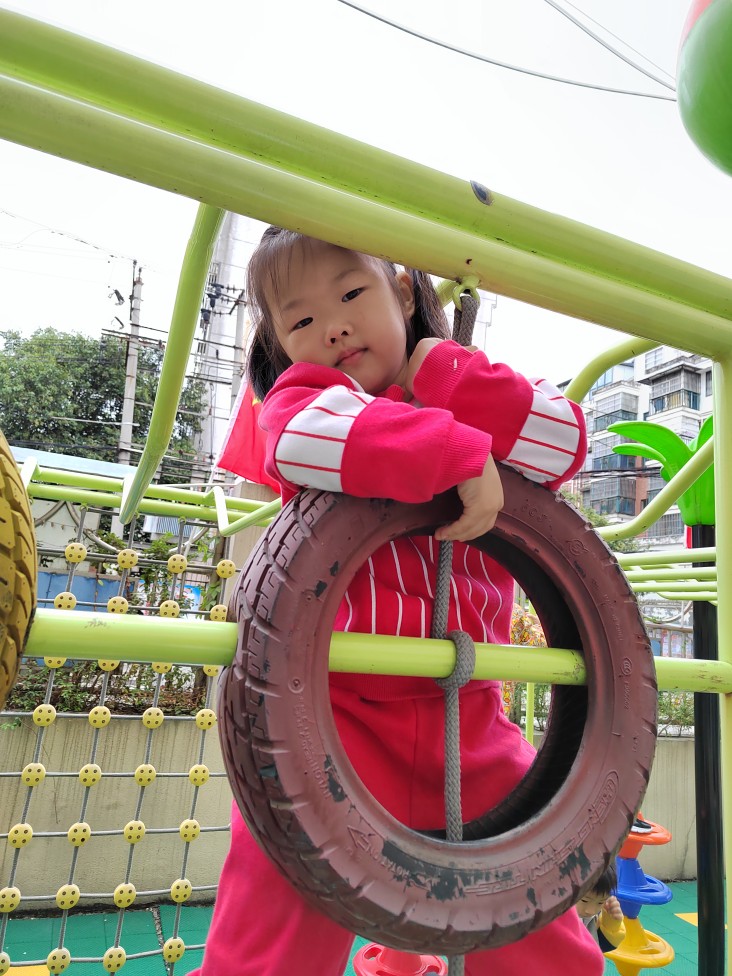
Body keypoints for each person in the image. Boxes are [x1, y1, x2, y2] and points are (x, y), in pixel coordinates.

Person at [189, 226, 604, 976]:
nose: (333, 327)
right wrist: (455, 452)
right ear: (282, 344)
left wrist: (447, 376)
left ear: (404, 294)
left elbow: (566, 442)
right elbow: (300, 439)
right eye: (302, 320)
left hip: (468, 713)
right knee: (272, 933)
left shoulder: (469, 388)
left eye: (351, 294)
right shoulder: (307, 401)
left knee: (539, 932)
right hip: (329, 719)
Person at [576, 861, 625, 952]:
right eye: (584, 900)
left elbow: (599, 947)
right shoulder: (552, 916)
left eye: (600, 902)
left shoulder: (594, 917)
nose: (591, 911)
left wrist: (611, 924)